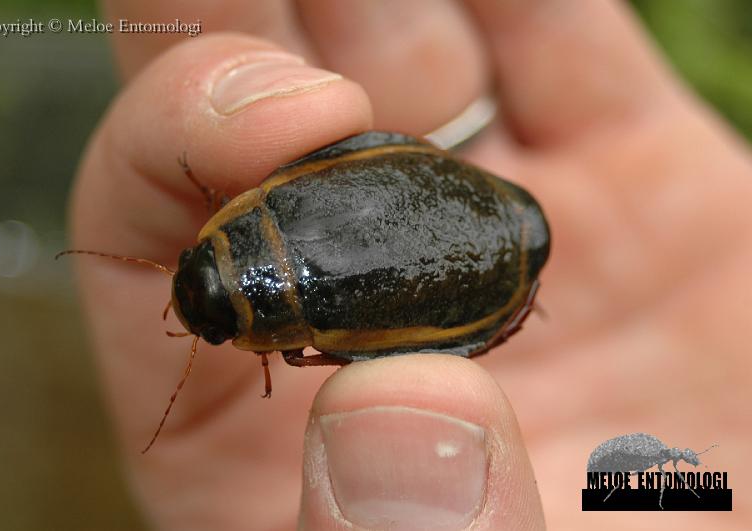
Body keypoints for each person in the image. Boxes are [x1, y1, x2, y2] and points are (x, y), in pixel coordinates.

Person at [70, 1, 751, 529]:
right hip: (463, 229)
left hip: (468, 235)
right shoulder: (265, 203)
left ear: (221, 220)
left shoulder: (286, 289)